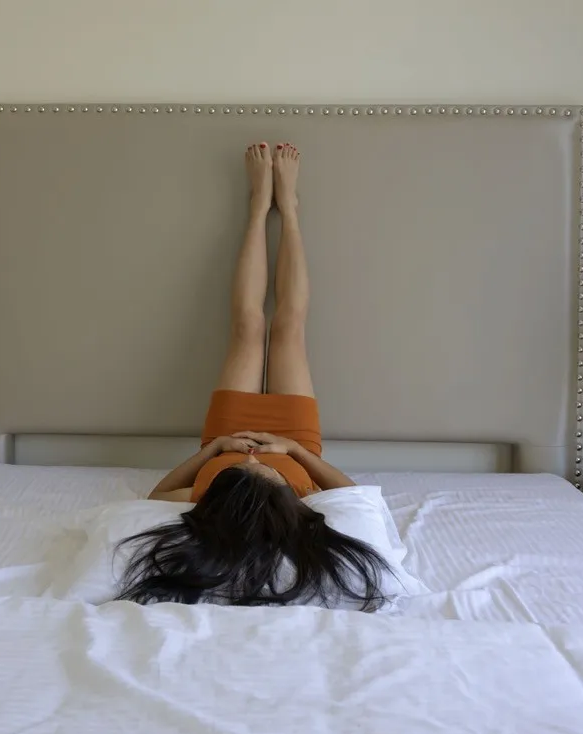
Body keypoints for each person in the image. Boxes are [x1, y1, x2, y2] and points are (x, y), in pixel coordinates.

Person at [116, 143, 391, 610]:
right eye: (261, 470)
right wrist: (295, 451)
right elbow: (355, 496)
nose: (253, 461)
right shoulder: (300, 500)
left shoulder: (209, 495)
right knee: (288, 327)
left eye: (244, 470)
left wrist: (216, 450)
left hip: (228, 430)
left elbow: (156, 495)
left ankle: (259, 207)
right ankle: (291, 211)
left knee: (247, 325)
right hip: (295, 436)